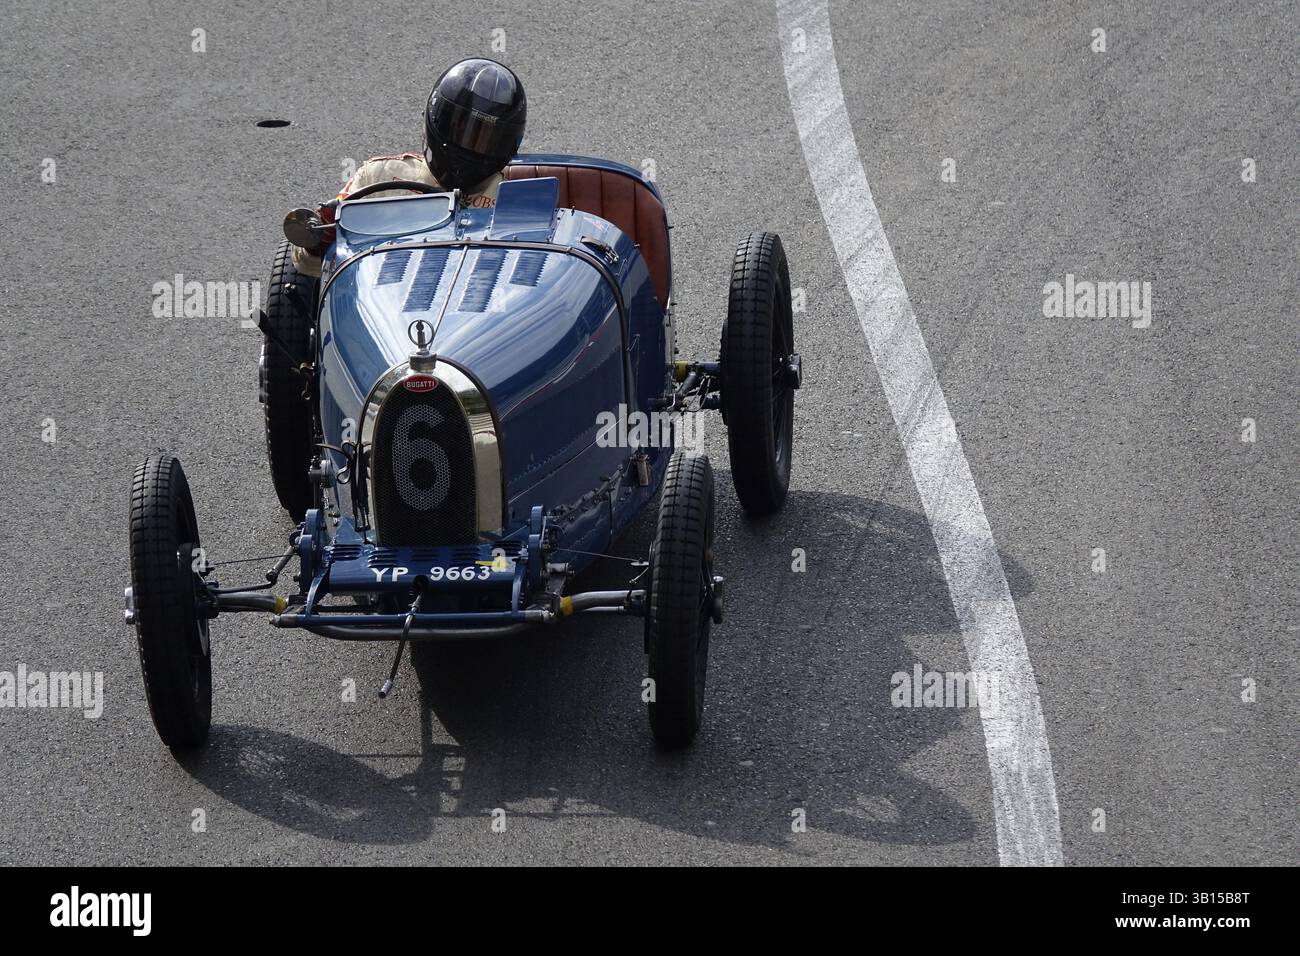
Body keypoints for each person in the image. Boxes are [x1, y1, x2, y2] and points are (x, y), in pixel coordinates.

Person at [290, 57, 527, 277]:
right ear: (437, 120)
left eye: (483, 140)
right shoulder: (378, 178)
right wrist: (322, 241)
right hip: (380, 299)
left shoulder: (516, 206)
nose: (469, 146)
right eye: (462, 131)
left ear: (507, 146)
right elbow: (308, 267)